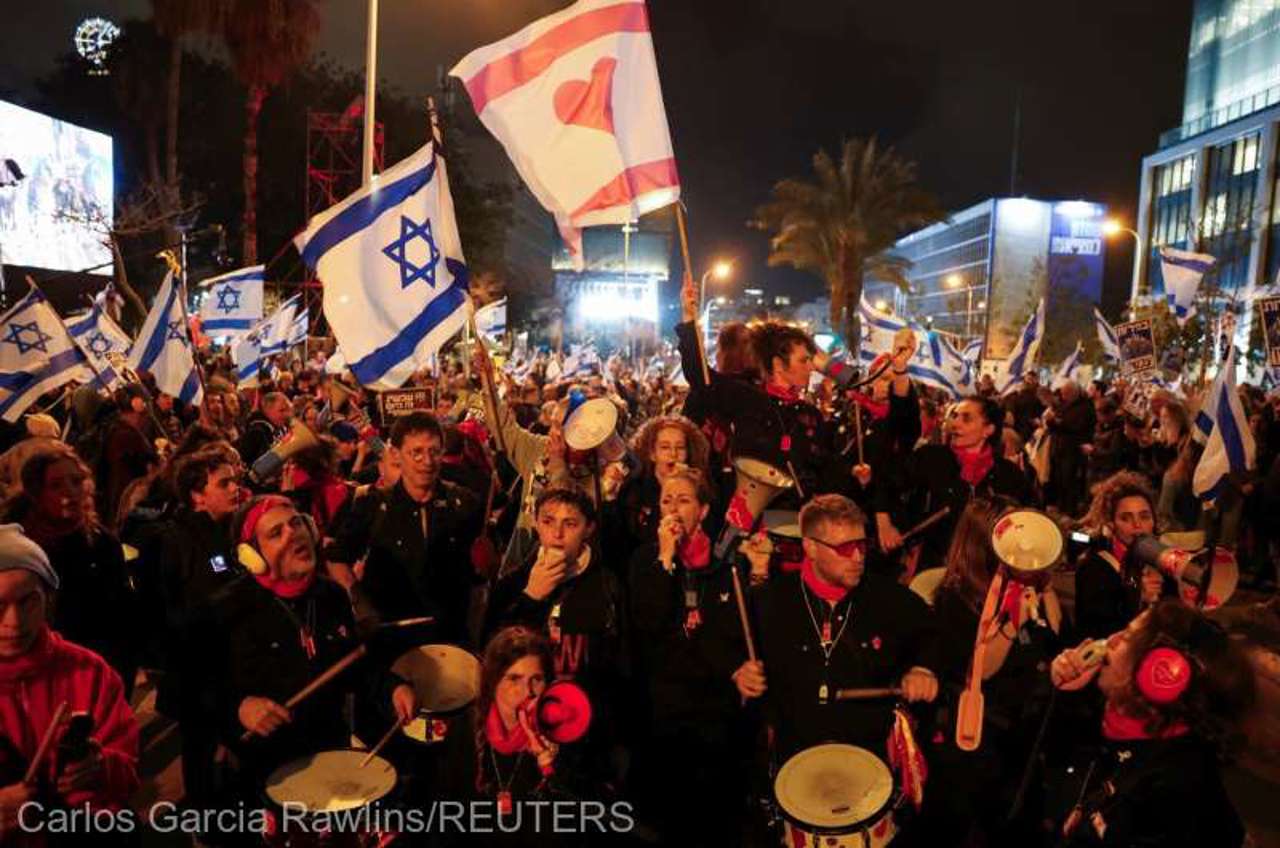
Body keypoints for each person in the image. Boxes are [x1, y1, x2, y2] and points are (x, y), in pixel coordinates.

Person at [208, 495, 416, 789]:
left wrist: (392, 688)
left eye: (296, 523)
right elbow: (188, 690)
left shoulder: (331, 595)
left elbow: (354, 667)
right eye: (276, 533)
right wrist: (238, 707)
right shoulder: (225, 610)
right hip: (264, 769)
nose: (293, 533)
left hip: (330, 752)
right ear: (252, 556)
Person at [735, 494, 939, 764]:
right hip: (793, 755)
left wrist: (923, 669)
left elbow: (936, 637)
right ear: (810, 548)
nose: (857, 557)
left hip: (868, 755)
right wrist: (740, 675)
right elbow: (726, 654)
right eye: (844, 548)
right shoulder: (769, 601)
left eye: (862, 546)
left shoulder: (890, 599)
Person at [1048, 601, 1256, 846]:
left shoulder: (1173, 790)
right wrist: (1065, 693)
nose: (1111, 640)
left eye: (1127, 637)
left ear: (1161, 672)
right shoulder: (1120, 726)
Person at [925, 499, 1063, 844]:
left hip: (1025, 730)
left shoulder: (1026, 584)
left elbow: (1056, 636)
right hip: (984, 739)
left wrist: (1044, 588)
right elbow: (981, 671)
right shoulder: (954, 597)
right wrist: (1011, 623)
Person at [627, 467, 751, 847]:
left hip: (715, 707)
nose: (673, 509)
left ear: (703, 509)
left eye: (683, 500)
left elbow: (732, 632)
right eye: (667, 500)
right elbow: (650, 624)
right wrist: (666, 559)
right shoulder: (645, 560)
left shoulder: (727, 561)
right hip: (664, 705)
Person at [0, 525, 139, 841]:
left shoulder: (89, 672)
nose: (14, 622)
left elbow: (128, 775)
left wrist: (101, 767)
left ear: (48, 599)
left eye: (28, 602)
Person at [326, 412, 483, 644]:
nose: (427, 461)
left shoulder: (464, 503)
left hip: (450, 638)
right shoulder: (372, 505)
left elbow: (481, 570)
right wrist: (358, 600)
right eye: (416, 452)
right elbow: (336, 558)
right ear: (397, 455)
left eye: (434, 451)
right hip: (391, 638)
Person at [436, 626, 601, 846]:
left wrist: (552, 765)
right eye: (514, 679)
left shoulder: (561, 734)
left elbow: (578, 823)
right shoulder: (465, 728)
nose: (528, 691)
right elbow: (445, 812)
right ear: (494, 682)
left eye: (537, 679)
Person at [3, 446, 139, 698]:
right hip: (39, 682)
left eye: (76, 481)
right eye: (55, 485)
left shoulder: (101, 541)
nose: (70, 492)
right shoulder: (19, 550)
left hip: (101, 672)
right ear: (36, 493)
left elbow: (124, 614)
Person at [874, 395, 1032, 570]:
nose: (955, 424)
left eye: (966, 418)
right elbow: (886, 485)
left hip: (985, 570)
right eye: (955, 416)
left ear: (988, 429)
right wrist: (884, 524)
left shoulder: (1008, 474)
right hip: (931, 565)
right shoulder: (930, 457)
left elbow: (1027, 520)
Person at [1073, 472, 1166, 641]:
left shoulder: (1161, 561)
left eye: (1144, 517)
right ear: (1111, 523)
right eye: (1126, 518)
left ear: (1154, 521)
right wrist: (1137, 597)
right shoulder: (1093, 566)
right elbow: (1096, 632)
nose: (1138, 525)